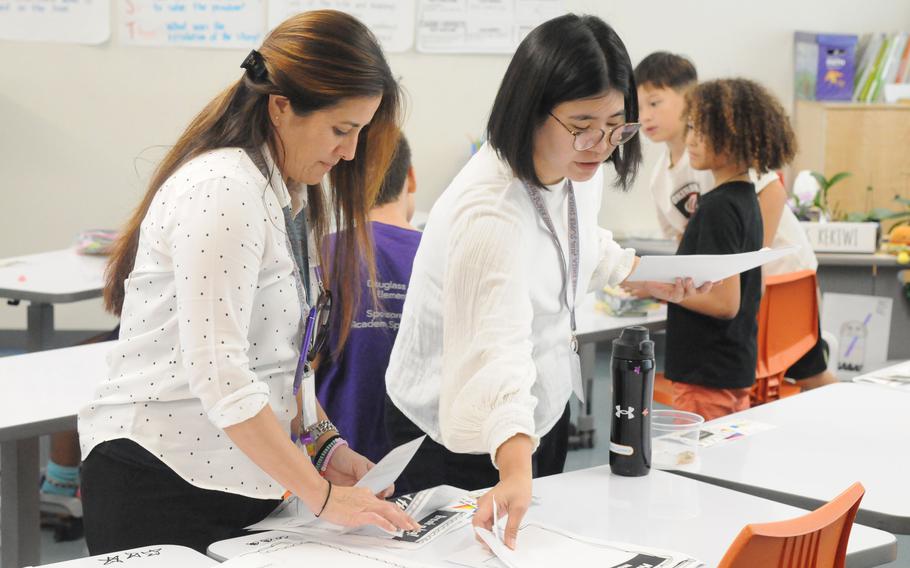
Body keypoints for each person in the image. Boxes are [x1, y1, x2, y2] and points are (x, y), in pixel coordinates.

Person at [77, 10, 418, 554]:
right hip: (163, 478)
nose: (350, 152)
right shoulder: (223, 190)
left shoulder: (286, 193)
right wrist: (326, 498)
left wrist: (326, 447)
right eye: (341, 129)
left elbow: (281, 358)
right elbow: (222, 375)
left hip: (242, 478)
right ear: (281, 107)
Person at [384, 13, 710, 550]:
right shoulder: (489, 209)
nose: (601, 144)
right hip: (461, 426)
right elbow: (498, 351)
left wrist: (637, 273)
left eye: (615, 124)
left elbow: (576, 237)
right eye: (582, 123)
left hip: (537, 405)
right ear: (532, 109)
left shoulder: (575, 163)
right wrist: (515, 469)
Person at [636, 52, 836, 390]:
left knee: (806, 371)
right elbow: (685, 240)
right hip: (731, 293)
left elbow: (771, 193)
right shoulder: (660, 178)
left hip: (782, 275)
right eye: (638, 107)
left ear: (690, 97)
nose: (645, 116)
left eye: (654, 103)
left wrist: (748, 268)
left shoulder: (718, 151)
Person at [665, 78, 795, 420]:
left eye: (702, 131)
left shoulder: (718, 208)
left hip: (705, 374)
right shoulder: (745, 198)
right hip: (729, 367)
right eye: (690, 127)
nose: (690, 139)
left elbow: (725, 303)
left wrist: (658, 288)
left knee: (695, 468)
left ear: (733, 135)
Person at [316, 134, 420, 463]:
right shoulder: (443, 256)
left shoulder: (321, 254)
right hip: (423, 462)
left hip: (337, 463)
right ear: (411, 176)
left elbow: (297, 376)